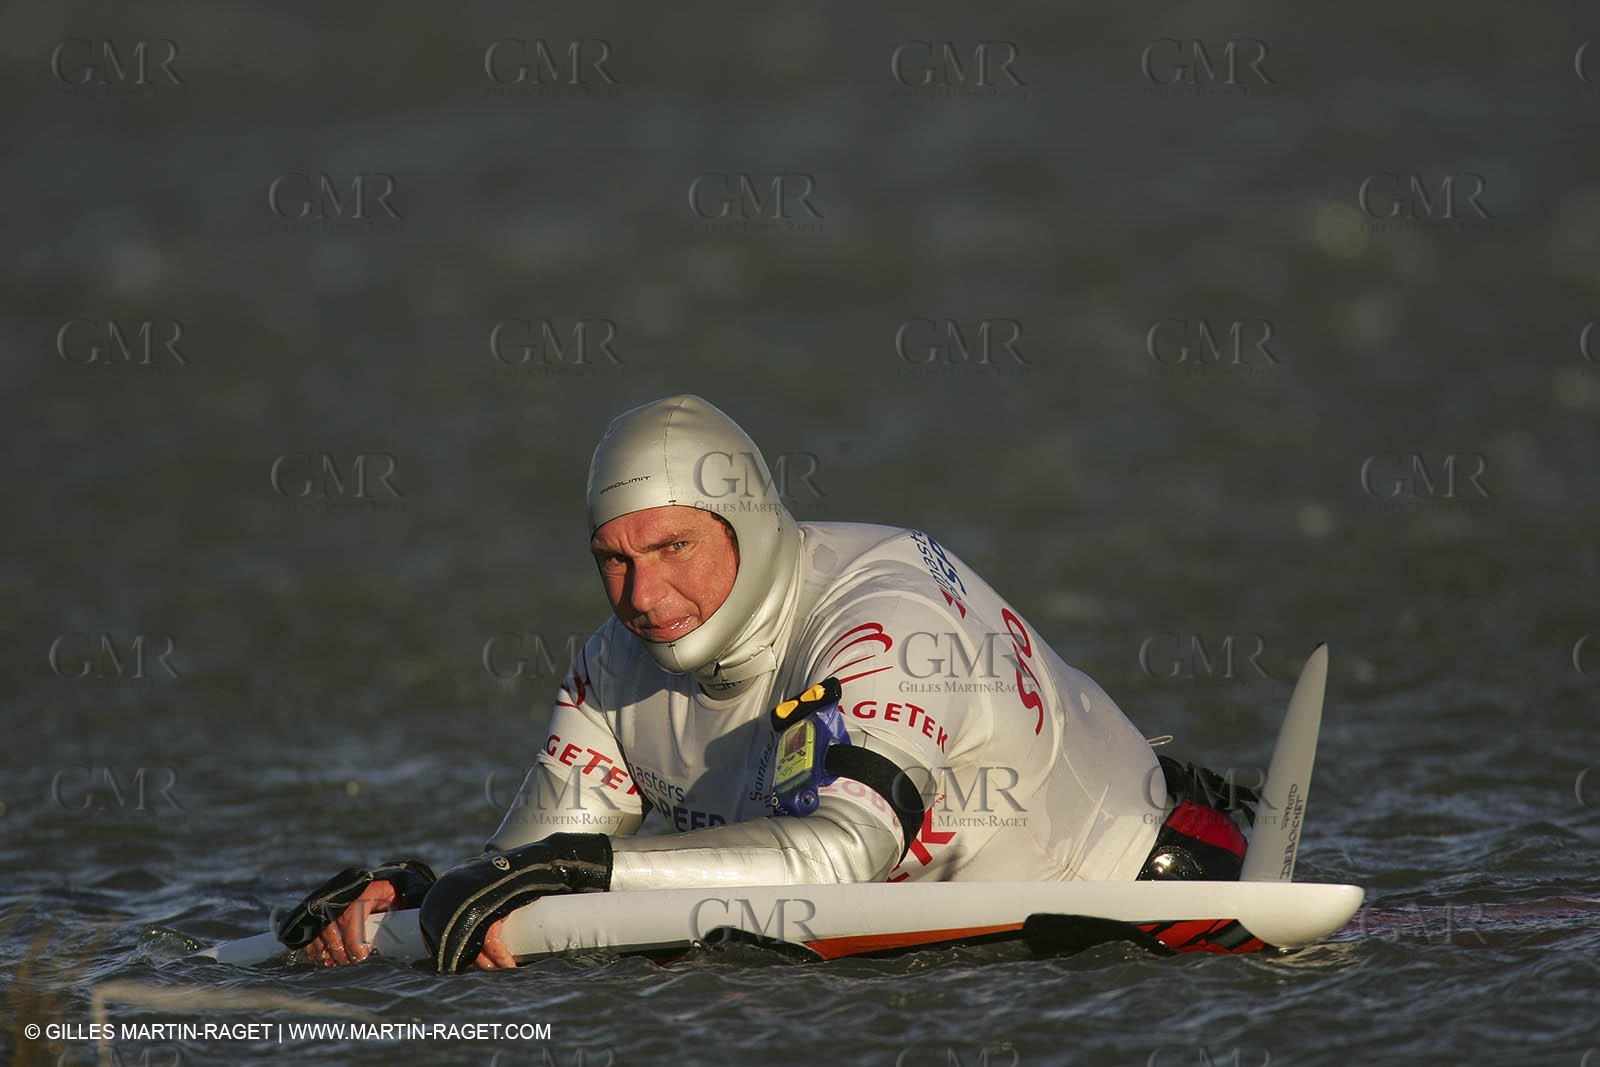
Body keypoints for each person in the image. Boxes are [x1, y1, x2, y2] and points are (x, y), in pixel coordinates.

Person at [283, 395, 1252, 972]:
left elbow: (843, 852)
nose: (642, 594)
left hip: (1162, 928)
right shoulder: (611, 665)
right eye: (611, 560)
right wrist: (405, 900)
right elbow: (531, 870)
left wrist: (575, 873)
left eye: (673, 547)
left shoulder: (888, 615)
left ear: (747, 519)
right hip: (948, 967)